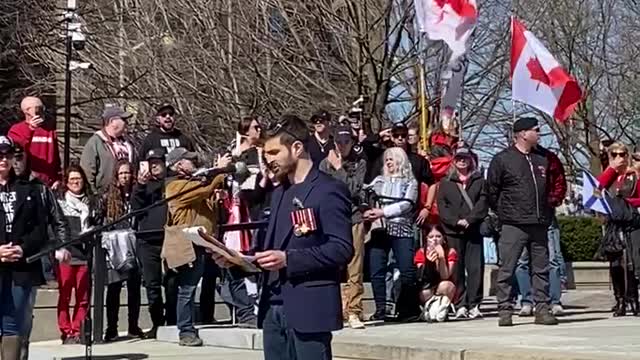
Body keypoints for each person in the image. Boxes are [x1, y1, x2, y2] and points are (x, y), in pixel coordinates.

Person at [212, 114, 353, 360]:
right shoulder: (278, 193)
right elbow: (272, 251)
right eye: (266, 153)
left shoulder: (328, 190)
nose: (269, 160)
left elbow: (341, 248)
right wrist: (238, 259)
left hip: (309, 307)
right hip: (272, 306)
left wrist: (289, 259)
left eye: (275, 152)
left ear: (297, 148)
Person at [0, 136, 67, 360]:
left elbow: (40, 228)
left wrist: (22, 248)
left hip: (21, 266)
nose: (3, 160)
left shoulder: (30, 188)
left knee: (14, 325)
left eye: (7, 155)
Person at [486, 117, 558, 327]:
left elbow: (553, 186)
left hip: (539, 222)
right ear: (523, 133)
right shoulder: (503, 159)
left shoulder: (542, 158)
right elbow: (492, 190)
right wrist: (504, 212)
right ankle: (505, 310)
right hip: (513, 223)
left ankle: (542, 309)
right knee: (508, 268)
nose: (539, 133)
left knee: (541, 268)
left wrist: (548, 208)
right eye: (536, 130)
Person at [163, 147, 227, 346]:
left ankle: (246, 315)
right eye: (189, 160)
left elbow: (206, 198)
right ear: (179, 165)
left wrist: (216, 200)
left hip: (208, 240)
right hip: (189, 242)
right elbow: (204, 191)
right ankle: (186, 330)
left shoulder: (195, 183)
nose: (194, 162)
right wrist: (219, 171)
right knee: (188, 288)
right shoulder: (174, 186)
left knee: (232, 274)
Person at [319, 125, 368, 329]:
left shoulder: (360, 163)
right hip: (331, 219)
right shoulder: (324, 164)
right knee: (331, 265)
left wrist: (339, 169)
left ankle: (354, 310)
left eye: (346, 142)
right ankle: (334, 308)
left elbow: (353, 189)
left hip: (353, 217)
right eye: (339, 142)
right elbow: (323, 190)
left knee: (355, 267)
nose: (342, 146)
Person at [365, 147, 421, 322]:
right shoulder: (378, 181)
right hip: (379, 230)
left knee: (406, 269)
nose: (388, 162)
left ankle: (407, 308)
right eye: (386, 159)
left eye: (392, 159)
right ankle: (381, 308)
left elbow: (407, 204)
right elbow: (366, 196)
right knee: (376, 269)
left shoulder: (410, 182)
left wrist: (383, 211)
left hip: (401, 228)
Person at [515, 145, 568, 317]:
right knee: (521, 262)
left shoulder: (549, 158)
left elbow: (560, 180)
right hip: (520, 216)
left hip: (545, 216)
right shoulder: (511, 157)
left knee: (552, 260)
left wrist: (553, 200)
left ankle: (554, 301)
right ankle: (527, 301)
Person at [437, 147, 488, 319]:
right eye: (459, 158)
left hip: (473, 230)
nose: (462, 161)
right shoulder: (445, 182)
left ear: (470, 160)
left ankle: (474, 304)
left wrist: (470, 219)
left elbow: (483, 203)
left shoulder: (479, 181)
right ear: (454, 160)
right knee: (456, 269)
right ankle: (460, 304)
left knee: (475, 268)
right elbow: (442, 206)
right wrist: (455, 221)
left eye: (465, 158)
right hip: (453, 231)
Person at [132, 148, 177, 338]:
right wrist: (141, 186)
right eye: (151, 162)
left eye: (158, 162)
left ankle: (173, 321)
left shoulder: (173, 183)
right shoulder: (143, 186)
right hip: (147, 240)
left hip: (169, 238)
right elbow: (135, 208)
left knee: (172, 282)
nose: (154, 165)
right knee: (152, 285)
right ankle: (157, 323)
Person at [102, 160, 144, 341]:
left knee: (134, 289)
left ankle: (133, 326)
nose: (125, 176)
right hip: (116, 245)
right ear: (116, 177)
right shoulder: (109, 197)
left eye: (127, 173)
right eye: (121, 173)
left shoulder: (137, 194)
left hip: (134, 243)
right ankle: (112, 327)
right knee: (114, 289)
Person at [596, 142, 640, 316]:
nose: (619, 158)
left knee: (634, 261)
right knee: (616, 262)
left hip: (633, 221)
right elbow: (596, 191)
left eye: (622, 154)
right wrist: (611, 170)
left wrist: (626, 204)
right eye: (614, 154)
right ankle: (620, 299)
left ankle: (634, 298)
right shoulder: (610, 175)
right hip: (615, 224)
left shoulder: (634, 174)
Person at [56, 164, 96, 345]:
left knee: (83, 297)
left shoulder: (91, 202)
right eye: (71, 179)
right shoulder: (60, 202)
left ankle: (78, 330)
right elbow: (56, 228)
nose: (75, 182)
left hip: (84, 254)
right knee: (64, 295)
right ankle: (66, 331)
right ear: (67, 182)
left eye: (78, 178)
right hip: (66, 255)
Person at [8, 96, 62, 188]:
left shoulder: (49, 130)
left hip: (48, 183)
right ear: (27, 111)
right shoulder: (16, 130)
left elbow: (55, 158)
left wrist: (57, 178)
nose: (40, 112)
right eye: (37, 108)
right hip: (26, 181)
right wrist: (30, 129)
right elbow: (17, 151)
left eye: (42, 108)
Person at [80, 105, 135, 194]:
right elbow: (87, 173)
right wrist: (94, 195)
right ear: (112, 121)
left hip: (126, 194)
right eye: (123, 120)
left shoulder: (128, 144)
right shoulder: (96, 142)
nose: (126, 123)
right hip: (104, 196)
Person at [414, 225, 458, 321]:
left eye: (438, 236)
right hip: (427, 287)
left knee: (447, 285)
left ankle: (441, 309)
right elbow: (422, 277)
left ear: (444, 238)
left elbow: (445, 276)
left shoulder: (451, 252)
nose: (435, 239)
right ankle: (430, 310)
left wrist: (441, 258)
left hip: (442, 286)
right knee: (424, 292)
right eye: (431, 237)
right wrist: (429, 263)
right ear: (426, 239)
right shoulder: (421, 252)